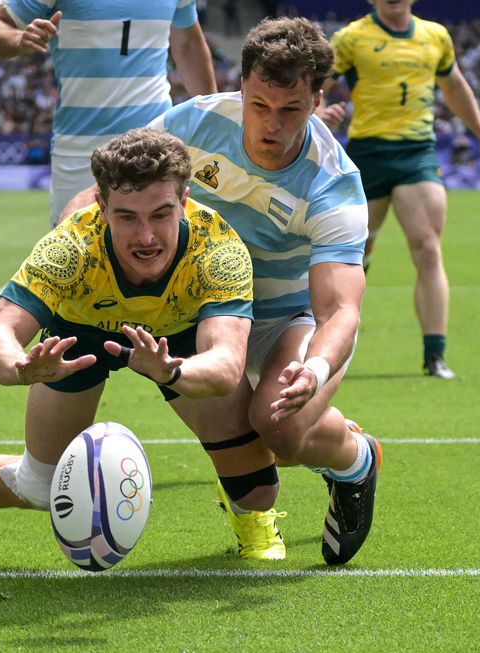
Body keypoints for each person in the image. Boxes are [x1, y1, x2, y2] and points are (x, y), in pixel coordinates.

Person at [0, 128, 289, 562]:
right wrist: (20, 367)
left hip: (176, 338)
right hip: (80, 333)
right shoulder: (70, 247)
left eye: (160, 214)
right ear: (101, 205)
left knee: (258, 490)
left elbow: (225, 364)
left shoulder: (218, 251)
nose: (146, 236)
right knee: (41, 486)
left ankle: (248, 515)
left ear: (184, 200)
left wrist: (172, 371)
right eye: (127, 217)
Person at [148, 17, 382, 566]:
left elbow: (340, 310)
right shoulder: (193, 123)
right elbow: (113, 189)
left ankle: (356, 460)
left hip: (287, 319)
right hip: (205, 311)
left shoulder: (333, 184)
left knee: (280, 426)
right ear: (242, 87)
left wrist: (315, 371)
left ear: (318, 100)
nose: (270, 124)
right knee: (250, 459)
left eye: (290, 109)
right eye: (259, 104)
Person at [320, 0, 480, 378]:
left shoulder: (435, 36)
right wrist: (316, 115)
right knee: (352, 251)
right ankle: (329, 344)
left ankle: (435, 355)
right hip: (367, 154)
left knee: (427, 247)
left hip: (417, 153)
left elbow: (455, 87)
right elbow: (314, 85)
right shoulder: (351, 38)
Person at [0, 0, 218, 227]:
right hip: (80, 151)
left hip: (155, 142)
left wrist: (216, 120)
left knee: (155, 246)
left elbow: (188, 44)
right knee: (71, 251)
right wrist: (19, 39)